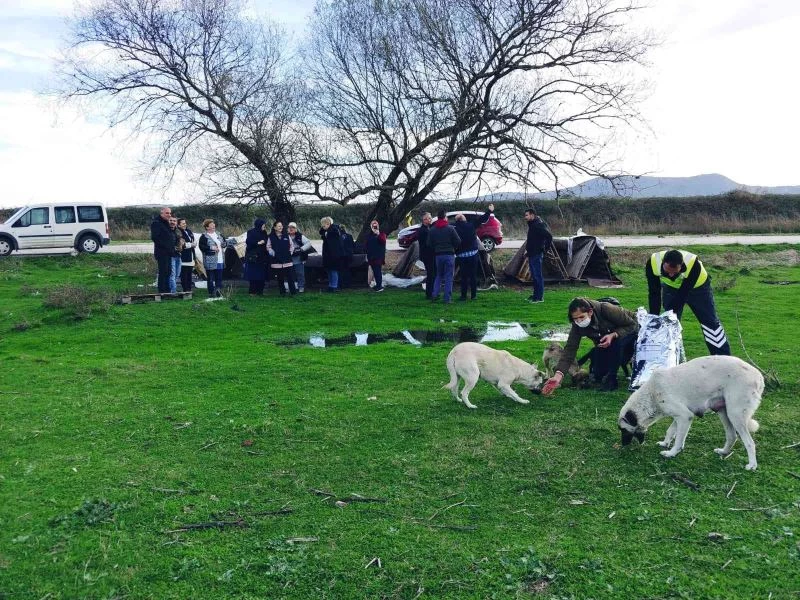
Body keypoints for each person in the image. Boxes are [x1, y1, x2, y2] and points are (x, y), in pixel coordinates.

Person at [541, 297, 639, 394]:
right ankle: (603, 371)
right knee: (599, 373)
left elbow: (632, 324)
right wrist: (558, 376)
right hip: (605, 338)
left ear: (590, 312)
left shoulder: (606, 309)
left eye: (581, 317)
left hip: (631, 331)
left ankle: (612, 379)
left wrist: (613, 335)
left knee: (616, 344)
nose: (579, 321)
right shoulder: (577, 325)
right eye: (575, 319)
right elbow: (570, 349)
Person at [646, 249, 731, 355]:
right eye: (667, 272)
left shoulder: (693, 264)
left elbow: (683, 294)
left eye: (675, 272)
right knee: (671, 323)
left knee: (710, 322)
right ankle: (670, 357)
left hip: (699, 288)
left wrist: (671, 312)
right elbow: (654, 292)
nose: (671, 275)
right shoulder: (653, 262)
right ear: (663, 263)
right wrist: (654, 317)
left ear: (681, 266)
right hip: (671, 288)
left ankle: (723, 357)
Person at [427, 208, 461, 304]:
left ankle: (435, 295)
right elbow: (458, 241)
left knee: (438, 275)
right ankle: (447, 298)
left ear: (438, 218)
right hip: (449, 255)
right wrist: (453, 247)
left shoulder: (432, 230)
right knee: (448, 277)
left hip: (438, 255)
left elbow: (429, 244)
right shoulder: (450, 229)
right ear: (445, 217)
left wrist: (436, 248)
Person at [524, 208, 553, 303]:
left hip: (537, 254)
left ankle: (539, 298)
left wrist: (545, 249)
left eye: (527, 215)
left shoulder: (538, 225)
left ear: (532, 215)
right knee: (534, 276)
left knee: (537, 276)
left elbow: (549, 236)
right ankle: (535, 295)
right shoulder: (532, 225)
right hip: (532, 253)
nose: (525, 217)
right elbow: (532, 240)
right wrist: (527, 251)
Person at [453, 213, 479, 301]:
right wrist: (489, 211)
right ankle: (473, 295)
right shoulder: (470, 225)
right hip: (473, 254)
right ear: (464, 219)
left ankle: (463, 296)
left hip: (461, 255)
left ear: (457, 221)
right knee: (473, 276)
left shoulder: (454, 227)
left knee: (463, 276)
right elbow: (481, 220)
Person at [267, 221, 297, 296]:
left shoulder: (286, 236)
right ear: (274, 227)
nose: (281, 227)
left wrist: (289, 253)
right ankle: (282, 293)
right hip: (277, 262)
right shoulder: (270, 237)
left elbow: (292, 245)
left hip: (287, 261)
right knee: (280, 279)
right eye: (279, 226)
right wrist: (272, 253)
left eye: (281, 226)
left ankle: (293, 293)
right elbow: (268, 247)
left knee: (290, 277)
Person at [198, 219, 226, 297]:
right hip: (210, 260)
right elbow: (202, 247)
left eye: (213, 224)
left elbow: (224, 242)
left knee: (219, 277)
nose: (213, 225)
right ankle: (211, 293)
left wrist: (224, 244)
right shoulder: (204, 236)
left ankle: (218, 292)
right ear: (207, 227)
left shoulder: (218, 234)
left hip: (220, 259)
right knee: (210, 278)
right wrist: (211, 247)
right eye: (211, 224)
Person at [150, 206, 174, 293]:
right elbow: (155, 238)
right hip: (162, 252)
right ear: (162, 213)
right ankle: (162, 291)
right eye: (167, 213)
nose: (169, 215)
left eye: (170, 213)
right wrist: (166, 246)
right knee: (163, 272)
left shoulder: (166, 223)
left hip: (169, 252)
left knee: (168, 272)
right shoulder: (156, 223)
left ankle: (167, 291)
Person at [244, 218, 269, 295]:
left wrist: (264, 241)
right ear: (259, 225)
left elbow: (266, 240)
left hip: (263, 257)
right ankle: (252, 291)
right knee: (253, 275)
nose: (264, 227)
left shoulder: (264, 232)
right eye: (263, 225)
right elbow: (248, 242)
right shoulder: (251, 232)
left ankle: (260, 291)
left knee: (262, 275)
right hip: (254, 257)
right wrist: (258, 243)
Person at [319, 216, 343, 292]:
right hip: (328, 254)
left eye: (324, 226)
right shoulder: (328, 231)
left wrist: (326, 235)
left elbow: (334, 244)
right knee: (329, 270)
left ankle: (334, 286)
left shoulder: (334, 231)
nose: (322, 227)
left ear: (328, 224)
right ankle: (331, 285)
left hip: (333, 254)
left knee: (333, 270)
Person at [287, 222, 313, 293]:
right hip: (289, 258)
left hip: (299, 258)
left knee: (300, 273)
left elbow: (309, 243)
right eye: (290, 227)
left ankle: (301, 286)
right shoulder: (285, 236)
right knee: (290, 274)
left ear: (296, 229)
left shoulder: (300, 236)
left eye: (293, 227)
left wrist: (301, 249)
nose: (291, 229)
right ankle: (293, 287)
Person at [417, 212, 436, 299]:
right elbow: (428, 244)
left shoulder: (428, 228)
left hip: (429, 255)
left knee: (433, 273)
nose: (430, 219)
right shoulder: (423, 230)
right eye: (428, 218)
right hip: (428, 255)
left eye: (430, 217)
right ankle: (429, 293)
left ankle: (432, 291)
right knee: (431, 274)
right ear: (424, 220)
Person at [365, 219, 387, 292]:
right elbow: (367, 245)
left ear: (378, 226)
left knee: (377, 271)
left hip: (378, 256)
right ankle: (377, 285)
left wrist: (378, 234)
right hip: (371, 256)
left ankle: (379, 286)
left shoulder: (381, 234)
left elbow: (383, 241)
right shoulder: (369, 235)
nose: (374, 226)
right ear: (371, 226)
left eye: (375, 225)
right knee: (375, 271)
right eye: (373, 225)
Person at [177, 218, 196, 293]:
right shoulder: (178, 232)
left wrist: (192, 244)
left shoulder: (189, 231)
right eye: (183, 223)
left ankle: (189, 289)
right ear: (178, 225)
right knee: (184, 274)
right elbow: (181, 244)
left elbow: (193, 240)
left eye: (185, 223)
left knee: (189, 273)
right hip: (183, 255)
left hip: (190, 254)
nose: (185, 224)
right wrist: (191, 245)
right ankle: (185, 289)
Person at [167, 216, 183, 294]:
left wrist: (181, 244)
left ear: (176, 223)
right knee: (172, 274)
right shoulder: (166, 231)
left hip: (178, 255)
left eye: (174, 221)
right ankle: (173, 291)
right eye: (171, 220)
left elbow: (181, 241)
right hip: (170, 255)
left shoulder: (177, 231)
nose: (172, 222)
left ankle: (173, 289)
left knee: (177, 274)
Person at [338, 224, 355, 289]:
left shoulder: (338, 237)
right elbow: (353, 246)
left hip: (340, 256)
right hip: (348, 255)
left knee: (340, 270)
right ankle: (347, 284)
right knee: (347, 270)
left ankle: (341, 284)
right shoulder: (349, 236)